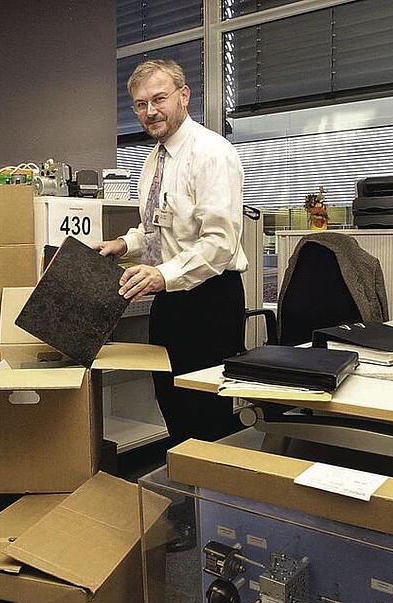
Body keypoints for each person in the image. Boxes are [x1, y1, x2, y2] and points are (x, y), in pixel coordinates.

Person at [94, 58, 248, 447]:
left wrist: (162, 274)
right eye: (141, 104)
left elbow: (219, 242)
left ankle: (213, 484)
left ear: (184, 96)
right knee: (171, 401)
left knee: (205, 413)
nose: (150, 111)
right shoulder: (153, 160)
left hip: (210, 300)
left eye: (159, 99)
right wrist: (123, 245)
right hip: (169, 298)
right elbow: (155, 229)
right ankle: (184, 479)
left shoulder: (212, 153)